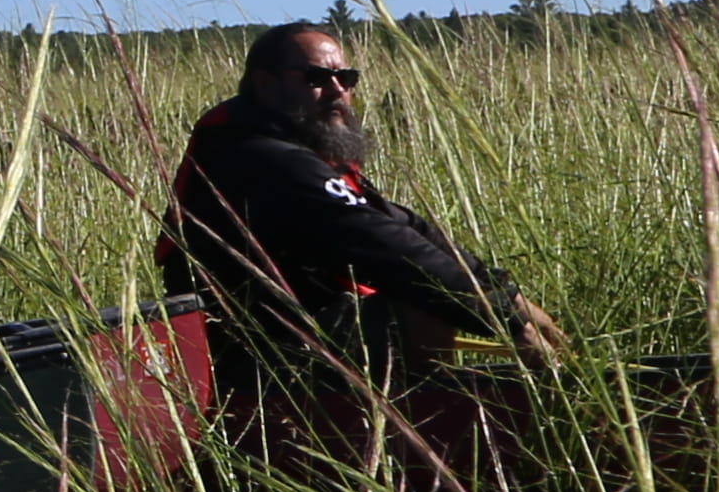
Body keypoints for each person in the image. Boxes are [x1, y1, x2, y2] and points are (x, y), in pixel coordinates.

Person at [157, 20, 573, 405]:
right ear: (265, 84)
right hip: (261, 368)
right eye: (316, 78)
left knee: (423, 288)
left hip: (296, 339)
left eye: (347, 78)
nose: (337, 90)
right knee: (417, 301)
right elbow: (386, 248)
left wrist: (508, 296)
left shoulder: (290, 148)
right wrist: (510, 320)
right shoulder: (263, 160)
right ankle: (430, 427)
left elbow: (407, 229)